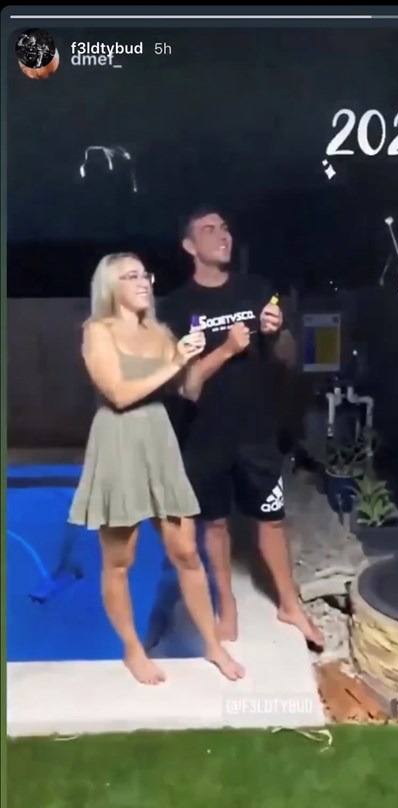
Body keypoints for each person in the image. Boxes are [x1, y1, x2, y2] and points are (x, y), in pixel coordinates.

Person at [68, 252, 245, 685]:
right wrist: (174, 362)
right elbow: (119, 394)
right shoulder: (98, 331)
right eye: (131, 276)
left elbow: (189, 390)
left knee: (186, 551)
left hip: (160, 441)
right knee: (120, 560)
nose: (143, 281)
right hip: (119, 441)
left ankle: (212, 645)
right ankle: (133, 648)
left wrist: (201, 357)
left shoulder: (162, 333)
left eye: (144, 274)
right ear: (111, 286)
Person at [158, 208, 324, 648]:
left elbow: (288, 358)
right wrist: (229, 349)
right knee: (214, 526)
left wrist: (278, 332)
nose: (222, 236)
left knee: (272, 520)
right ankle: (227, 606)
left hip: (257, 432)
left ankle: (290, 604)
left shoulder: (256, 290)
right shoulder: (174, 308)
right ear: (189, 246)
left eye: (226, 228)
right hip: (203, 437)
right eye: (209, 230)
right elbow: (186, 387)